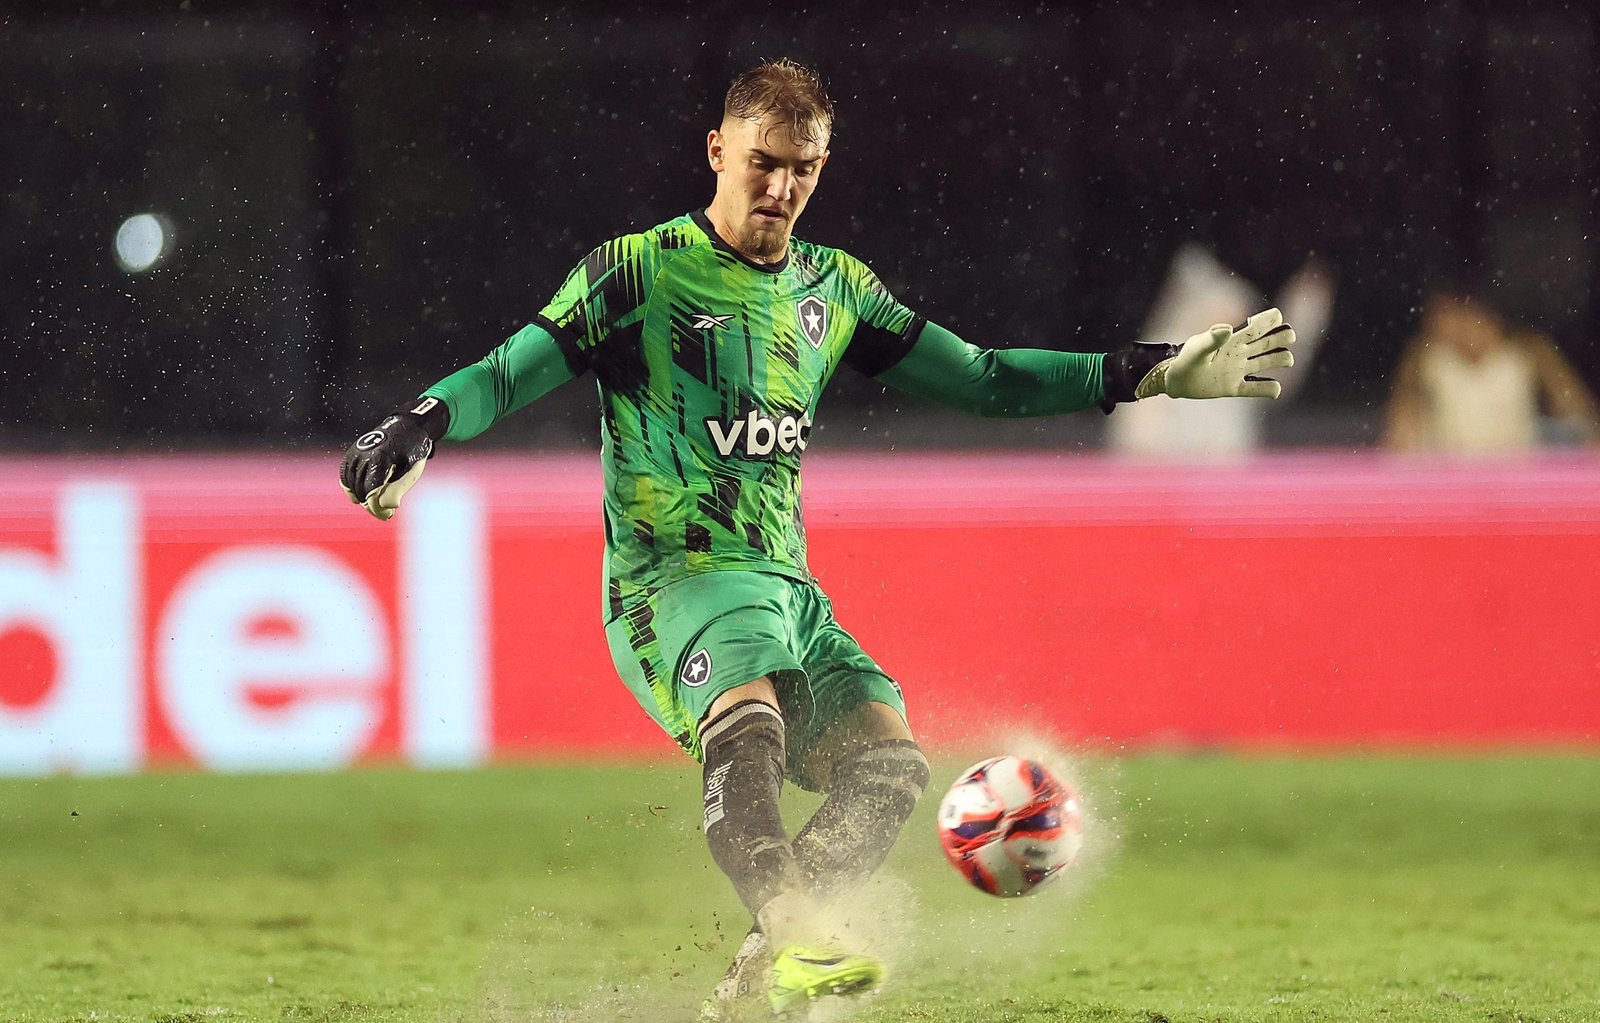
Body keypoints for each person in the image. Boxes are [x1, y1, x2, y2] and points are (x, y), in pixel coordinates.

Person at [338, 59, 1296, 1020]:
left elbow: (986, 376)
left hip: (787, 590)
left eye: (804, 168)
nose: (781, 187)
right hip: (671, 581)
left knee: (889, 763)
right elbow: (512, 368)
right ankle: (799, 931)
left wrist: (1158, 372)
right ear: (717, 151)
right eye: (762, 162)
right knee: (747, 722)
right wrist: (422, 423)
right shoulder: (640, 270)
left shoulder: (834, 288)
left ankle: (756, 976)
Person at [1384, 283, 1600, 455]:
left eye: (1443, 316)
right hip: (1450, 477)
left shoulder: (1528, 351)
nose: (1435, 327)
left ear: (1475, 314)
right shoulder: (1426, 356)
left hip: (1517, 473)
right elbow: (1402, 423)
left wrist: (1590, 440)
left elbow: (1574, 407)